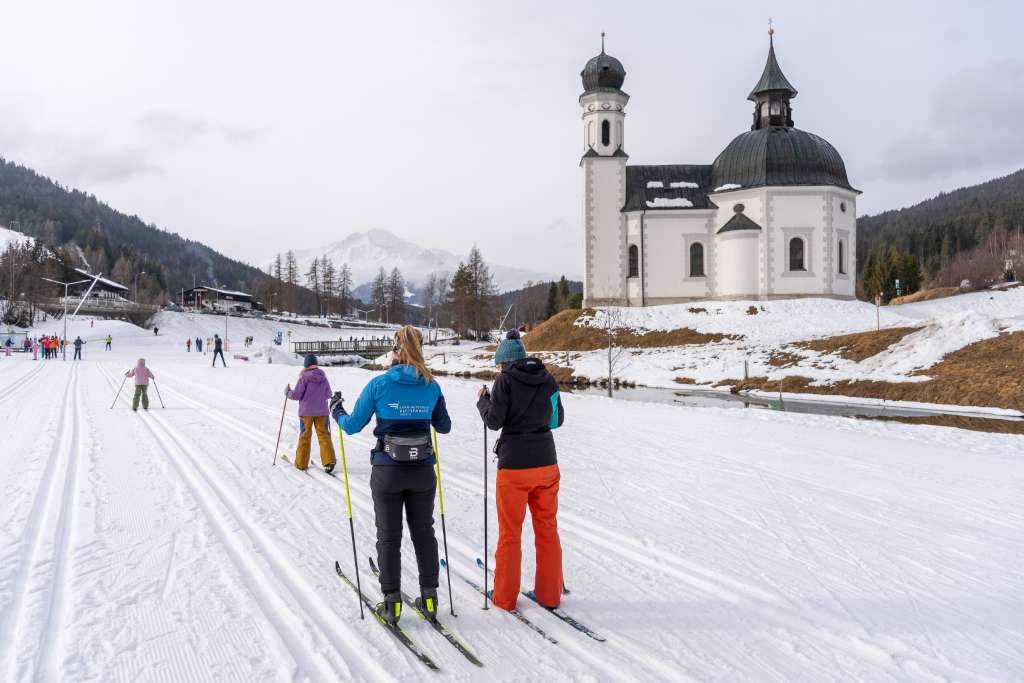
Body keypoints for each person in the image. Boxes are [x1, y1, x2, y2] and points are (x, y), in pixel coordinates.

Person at [331, 325, 451, 624]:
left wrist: (336, 410)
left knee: (389, 536)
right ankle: (430, 599)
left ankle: (392, 603)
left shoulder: (379, 384)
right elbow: (444, 426)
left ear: (394, 349)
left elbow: (352, 425)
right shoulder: (431, 385)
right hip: (422, 471)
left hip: (388, 471)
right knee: (424, 532)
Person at [477, 329, 565, 612]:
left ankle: (504, 598)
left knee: (510, 534)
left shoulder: (504, 381)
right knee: (547, 529)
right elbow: (556, 419)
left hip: (515, 467)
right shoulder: (548, 379)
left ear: (504, 362)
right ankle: (550, 595)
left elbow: (494, 421)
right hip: (547, 463)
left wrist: (483, 401)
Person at [285, 354, 337, 473]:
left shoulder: (303, 378)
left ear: (306, 365)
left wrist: (288, 392)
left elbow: (296, 395)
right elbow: (329, 394)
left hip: (306, 413)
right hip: (322, 412)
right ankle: (329, 461)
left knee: (305, 436)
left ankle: (301, 463)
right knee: (324, 435)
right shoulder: (323, 378)